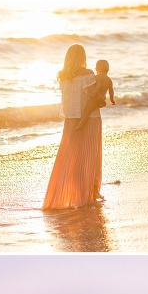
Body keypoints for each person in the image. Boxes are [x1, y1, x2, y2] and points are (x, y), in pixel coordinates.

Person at [42, 44, 104, 210]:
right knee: (90, 155)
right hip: (89, 118)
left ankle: (65, 194)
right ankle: (88, 194)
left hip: (70, 120)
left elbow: (70, 102)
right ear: (82, 57)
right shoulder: (88, 74)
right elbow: (93, 97)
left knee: (69, 155)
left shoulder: (63, 76)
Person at [76, 59, 115, 132]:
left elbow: (98, 87)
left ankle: (80, 125)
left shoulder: (98, 77)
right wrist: (112, 100)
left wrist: (93, 95)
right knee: (91, 110)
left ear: (97, 69)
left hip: (95, 98)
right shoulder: (109, 80)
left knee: (86, 112)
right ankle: (83, 124)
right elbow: (111, 91)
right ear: (108, 69)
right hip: (102, 99)